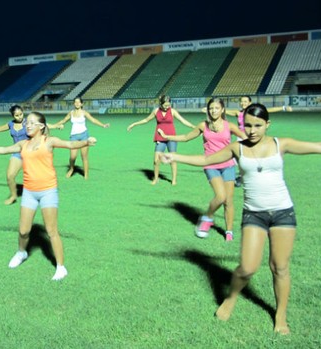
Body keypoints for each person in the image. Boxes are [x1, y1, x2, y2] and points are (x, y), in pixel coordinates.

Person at [161, 103, 321, 335]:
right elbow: (207, 160)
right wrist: (175, 155)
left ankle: (280, 315)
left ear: (268, 124)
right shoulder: (238, 148)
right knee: (246, 268)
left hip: (283, 213)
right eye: (248, 125)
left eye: (258, 125)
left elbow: (317, 146)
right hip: (254, 214)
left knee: (280, 267)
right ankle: (231, 298)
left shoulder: (281, 144)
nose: (252, 130)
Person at [0, 111, 97, 281]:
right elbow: (4, 149)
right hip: (29, 192)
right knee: (24, 231)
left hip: (48, 191)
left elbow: (70, 144)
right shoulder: (23, 144)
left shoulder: (49, 141)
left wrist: (86, 141)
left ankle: (61, 267)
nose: (28, 125)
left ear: (41, 126)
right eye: (27, 123)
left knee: (51, 231)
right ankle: (21, 252)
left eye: (32, 123)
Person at [158, 98, 247, 241]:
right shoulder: (202, 126)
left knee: (228, 201)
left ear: (222, 110)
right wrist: (167, 137)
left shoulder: (229, 126)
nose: (214, 111)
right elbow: (186, 137)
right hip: (210, 165)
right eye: (211, 108)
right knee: (220, 196)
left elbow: (245, 138)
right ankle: (207, 217)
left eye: (217, 108)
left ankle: (229, 231)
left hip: (228, 165)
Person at [127, 95, 195, 185]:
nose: (167, 107)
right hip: (160, 138)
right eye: (165, 105)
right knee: (156, 160)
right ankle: (155, 179)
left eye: (169, 105)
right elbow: (146, 120)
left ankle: (174, 180)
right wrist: (134, 124)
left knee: (173, 159)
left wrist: (195, 127)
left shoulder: (173, 111)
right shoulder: (156, 111)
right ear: (160, 104)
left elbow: (183, 121)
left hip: (172, 138)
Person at [51, 97, 110, 179]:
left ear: (82, 104)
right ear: (74, 103)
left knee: (84, 156)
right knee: (72, 157)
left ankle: (86, 174)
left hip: (84, 136)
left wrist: (103, 125)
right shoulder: (71, 113)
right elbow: (63, 120)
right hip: (74, 136)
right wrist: (54, 126)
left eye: (79, 102)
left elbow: (93, 120)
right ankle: (71, 169)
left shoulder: (84, 113)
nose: (77, 104)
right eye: (75, 102)